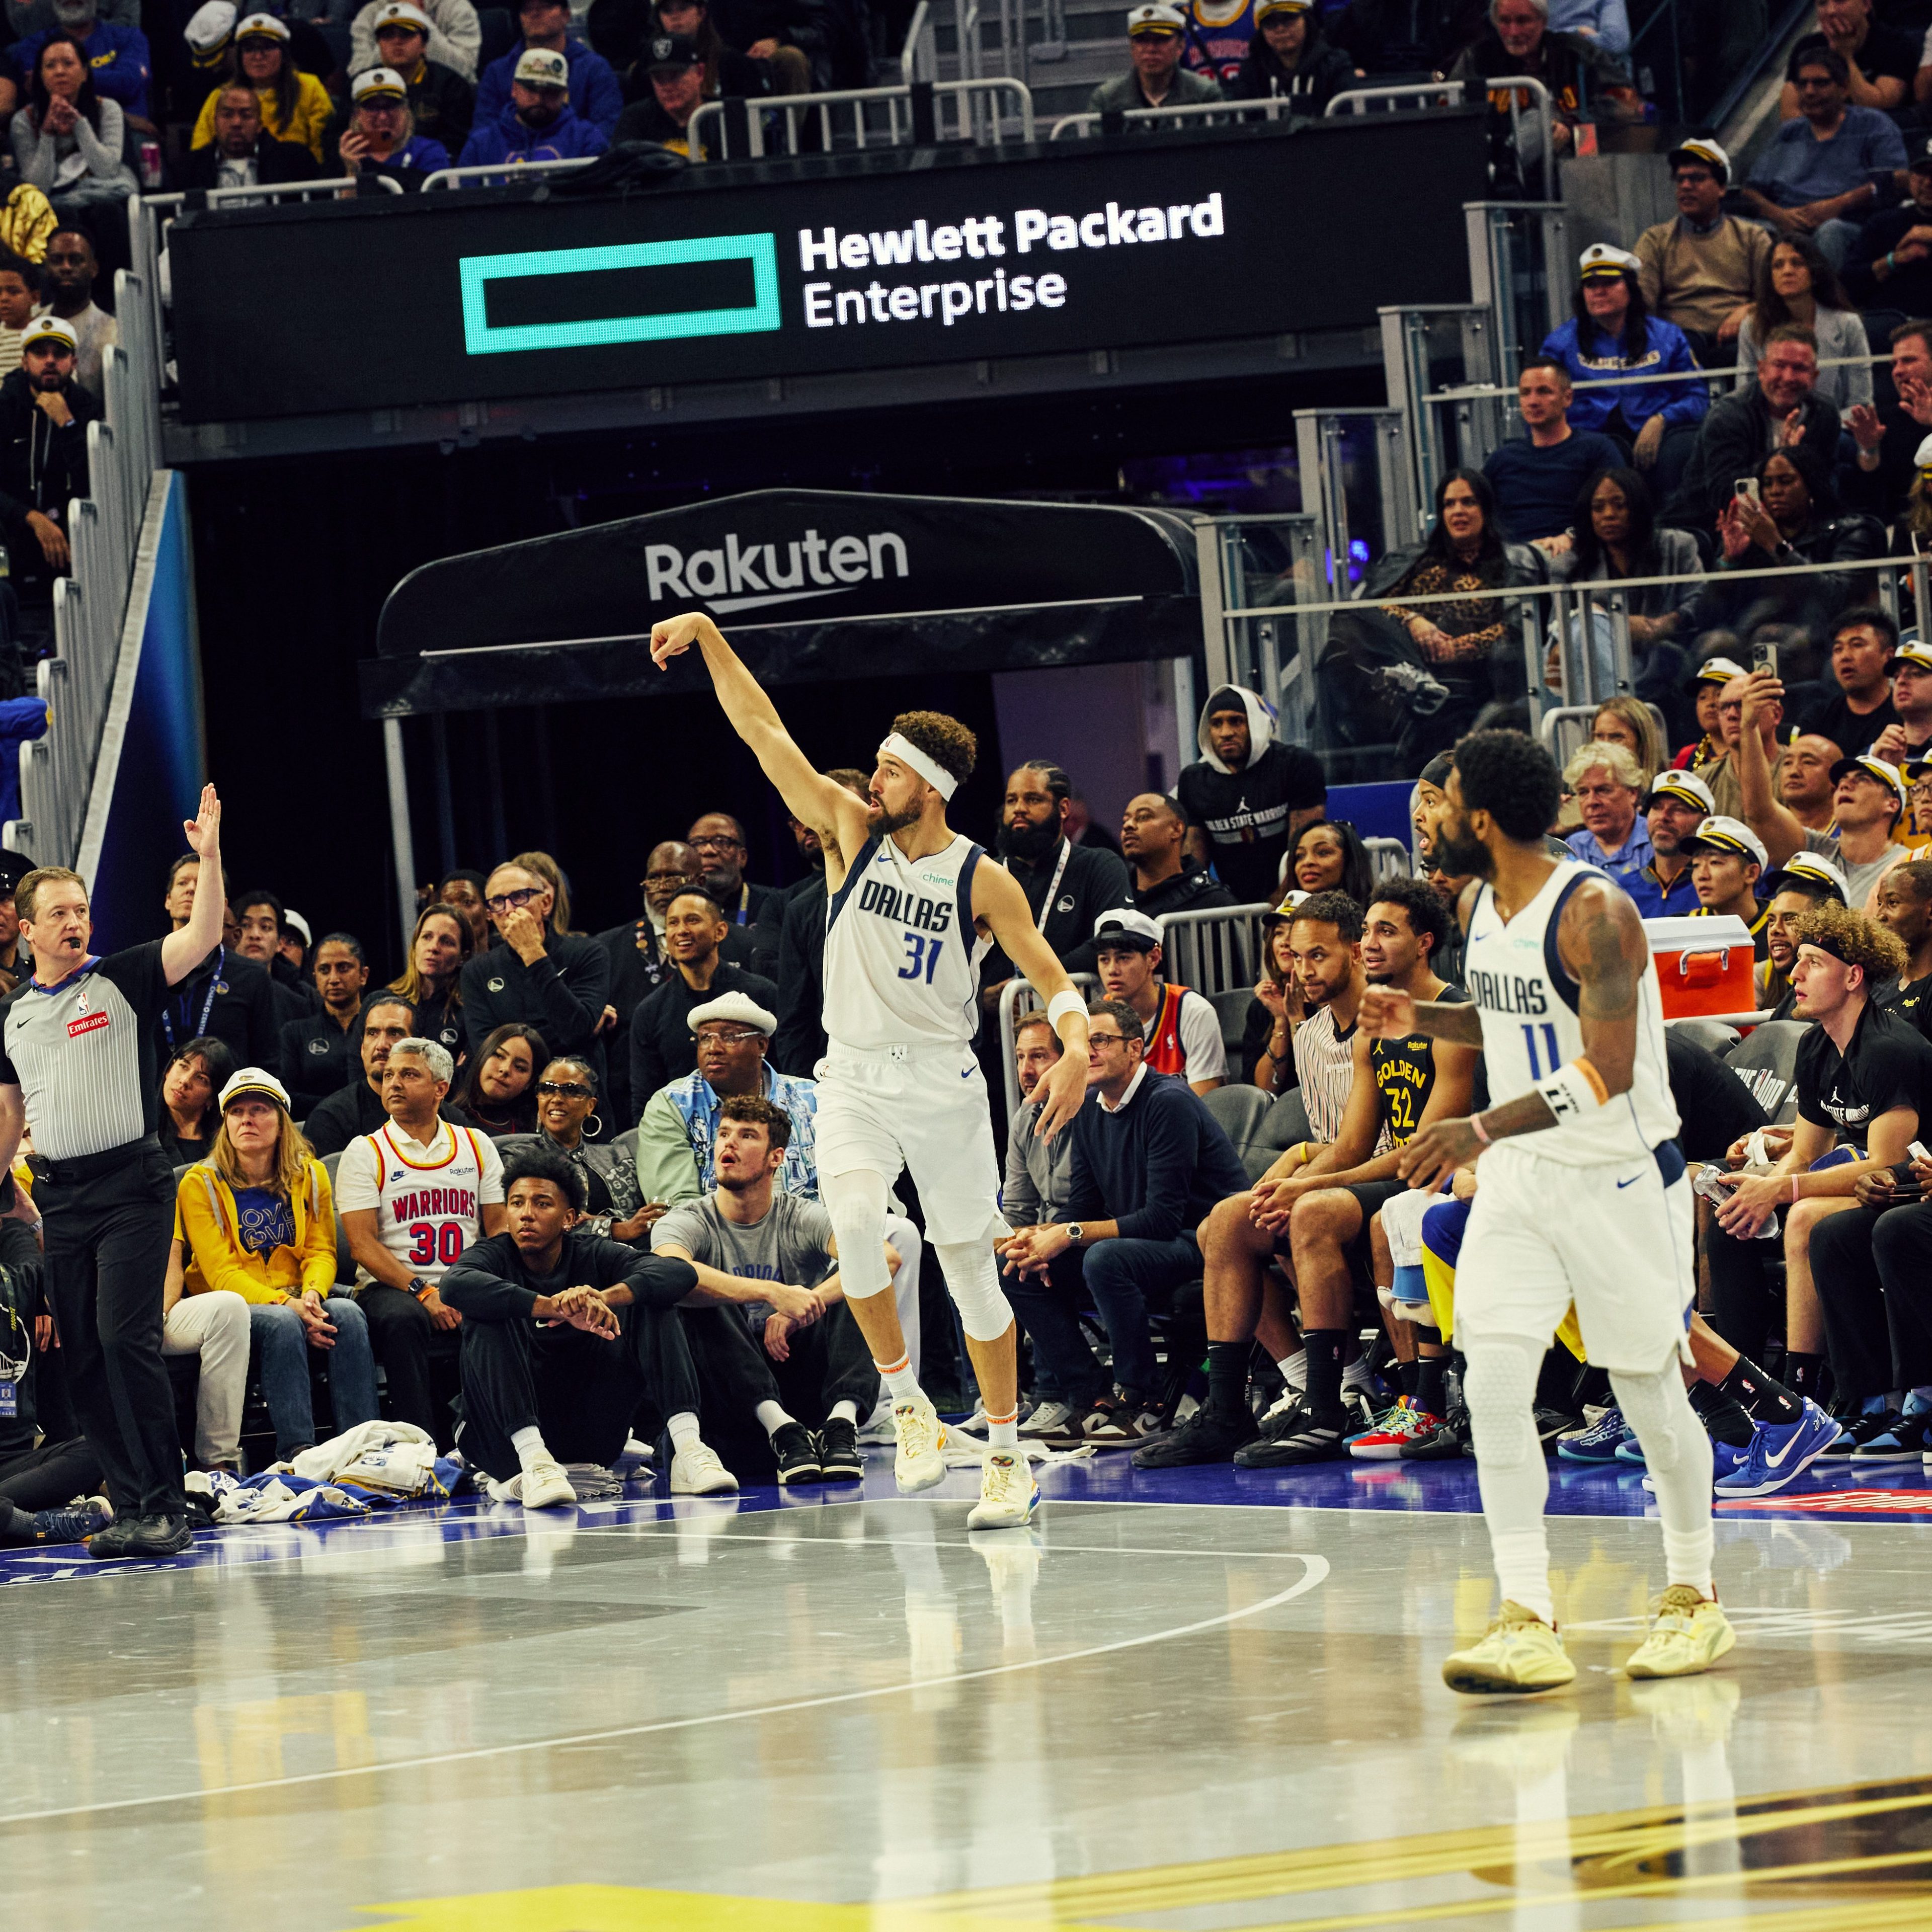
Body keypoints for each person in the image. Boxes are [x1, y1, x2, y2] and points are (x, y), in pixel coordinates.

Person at [652, 608, 1094, 1531]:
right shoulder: (848, 830)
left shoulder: (980, 877)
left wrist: (1081, 1043)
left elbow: (1049, 976)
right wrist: (709, 636)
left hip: (941, 1082)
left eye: (890, 767)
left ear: (927, 787)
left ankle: (1009, 1456)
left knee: (972, 1267)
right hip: (851, 1073)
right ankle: (908, 1404)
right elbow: (762, 730)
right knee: (856, 1223)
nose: (873, 776)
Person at [1358, 732, 1733, 1691]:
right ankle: (1527, 1613)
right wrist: (1421, 1017)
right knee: (1492, 1381)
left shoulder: (1596, 913)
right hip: (1525, 1178)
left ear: (1480, 817)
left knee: (1648, 1388)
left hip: (1614, 1176)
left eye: (1438, 805)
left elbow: (1604, 1071)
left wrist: (1476, 1129)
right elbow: (1513, 1018)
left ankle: (1694, 1597)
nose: (1429, 823)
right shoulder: (1485, 903)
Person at [1136, 879, 1472, 1467]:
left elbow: (1423, 1149)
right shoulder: (1377, 1025)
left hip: (1443, 1173)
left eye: (1381, 932)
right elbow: (1350, 1146)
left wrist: (1309, 1185)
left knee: (1311, 1211)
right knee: (1229, 1221)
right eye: (1367, 931)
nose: (1370, 944)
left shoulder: (1451, 1015)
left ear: (1423, 943)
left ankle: (1325, 1408)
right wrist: (1296, 1177)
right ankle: (1224, 1411)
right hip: (1387, 1172)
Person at [0, 788, 227, 1559]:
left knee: (125, 1338)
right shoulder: (11, 1015)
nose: (75, 921)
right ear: (26, 929)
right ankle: (133, 1506)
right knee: (85, 1356)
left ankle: (165, 1505)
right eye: (58, 913)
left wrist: (209, 855)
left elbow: (203, 934)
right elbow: (8, 1117)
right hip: (59, 1196)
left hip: (132, 1184)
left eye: (82, 908)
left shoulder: (125, 975)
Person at [1715, 902, 1930, 1438]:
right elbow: (1806, 1152)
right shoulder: (1816, 1046)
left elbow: (1887, 1165)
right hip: (1878, 1183)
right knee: (1737, 1211)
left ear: (1853, 976)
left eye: (1812, 962)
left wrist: (1781, 1190)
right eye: (1798, 963)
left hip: (1911, 1183)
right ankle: (1854, 1398)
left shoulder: (1887, 1048)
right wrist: (1763, 1187)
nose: (1795, 975)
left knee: (1813, 1218)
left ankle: (1805, 1390)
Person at [1002, 996, 1249, 1444]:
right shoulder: (1091, 1106)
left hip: (1205, 1242)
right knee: (1018, 1268)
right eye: (1084, 1042)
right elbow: (1082, 1204)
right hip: (1149, 1243)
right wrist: (1040, 1238)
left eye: (1101, 1041)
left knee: (1106, 1259)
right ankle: (1092, 1398)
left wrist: (1070, 1234)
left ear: (1135, 1049)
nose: (1089, 1052)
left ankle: (1145, 1399)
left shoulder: (1169, 1101)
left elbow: (1162, 1218)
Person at [436, 1145, 703, 1506]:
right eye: (516, 1203)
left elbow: (678, 1273)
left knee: (651, 1303)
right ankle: (533, 1466)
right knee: (488, 1313)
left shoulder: (592, 1253)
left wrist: (605, 1299)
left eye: (542, 1204)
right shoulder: (493, 1255)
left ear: (569, 1218)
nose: (526, 1215)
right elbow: (454, 1285)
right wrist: (552, 1307)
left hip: (588, 1436)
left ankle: (689, 1450)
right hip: (501, 1441)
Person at [651, 1097, 882, 1483]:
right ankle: (780, 1428)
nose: (729, 1144)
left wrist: (802, 1307)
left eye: (746, 1136)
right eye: (724, 1133)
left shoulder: (800, 1214)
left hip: (798, 1374)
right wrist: (772, 1292)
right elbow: (667, 1272)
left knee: (860, 1276)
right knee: (698, 1287)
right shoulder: (688, 1220)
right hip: (731, 1394)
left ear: (776, 1158)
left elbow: (884, 1256)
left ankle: (841, 1426)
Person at [172, 1067, 379, 1462]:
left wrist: (315, 1295)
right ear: (225, 1123)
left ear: (282, 1121)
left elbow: (321, 1250)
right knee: (284, 1324)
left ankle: (364, 1446)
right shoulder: (199, 1184)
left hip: (300, 1293)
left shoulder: (312, 1174)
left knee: (348, 1313)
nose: (247, 1119)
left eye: (260, 1109)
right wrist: (289, 1307)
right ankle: (299, 1452)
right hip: (231, 1303)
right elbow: (221, 1273)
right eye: (236, 1112)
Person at [338, 1036, 505, 1442]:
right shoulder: (366, 1151)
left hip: (463, 1277)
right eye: (389, 1074)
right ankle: (420, 1445)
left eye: (409, 1074)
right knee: (403, 1318)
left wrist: (475, 1285)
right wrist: (424, 1292)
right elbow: (362, 1245)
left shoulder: (476, 1145)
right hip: (391, 1285)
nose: (393, 1082)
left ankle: (503, 1439)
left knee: (507, 1305)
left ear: (440, 1088)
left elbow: (499, 1229)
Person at [1374, 468, 1549, 765]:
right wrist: (1413, 621)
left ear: (1486, 509)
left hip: (1485, 676)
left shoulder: (1510, 563)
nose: (1458, 511)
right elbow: (1375, 608)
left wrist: (1460, 646)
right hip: (1416, 672)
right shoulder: (1417, 561)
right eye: (1449, 504)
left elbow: (1517, 626)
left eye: (1468, 502)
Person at [1538, 247, 1707, 501]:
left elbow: (1698, 398)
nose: (1598, 291)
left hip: (1659, 439)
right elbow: (1542, 402)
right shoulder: (1560, 343)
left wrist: (1661, 419)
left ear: (1630, 288)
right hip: (1588, 441)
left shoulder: (1667, 337)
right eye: (1590, 285)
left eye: (1609, 282)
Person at [979, 760, 1132, 1013]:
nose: (1019, 809)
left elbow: (1110, 939)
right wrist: (983, 997)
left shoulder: (1099, 866)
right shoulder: (983, 876)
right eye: (1011, 800)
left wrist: (1035, 983)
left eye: (1033, 799)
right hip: (997, 1031)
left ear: (1063, 809)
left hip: (1077, 1019)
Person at [1741, 42, 1907, 270]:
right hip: (1786, 223)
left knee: (1831, 232)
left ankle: (1828, 303)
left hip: (1848, 223)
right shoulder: (1789, 132)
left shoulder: (1873, 124)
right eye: (1803, 84)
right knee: (1744, 230)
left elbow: (1898, 178)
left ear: (1844, 88)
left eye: (1820, 83)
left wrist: (1839, 204)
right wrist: (1779, 215)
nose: (1810, 91)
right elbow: (1751, 191)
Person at [1698, 445, 1886, 643]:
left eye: (1786, 481)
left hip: (1825, 639)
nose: (1775, 491)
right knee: (1715, 644)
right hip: (1752, 637)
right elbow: (1705, 618)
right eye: (1767, 484)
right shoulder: (1749, 537)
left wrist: (1776, 546)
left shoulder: (1847, 532)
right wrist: (1729, 560)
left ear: (1811, 485)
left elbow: (1838, 600)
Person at [1667, 327, 1839, 539]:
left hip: (1790, 526)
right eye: (1780, 366)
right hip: (1707, 527)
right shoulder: (1728, 415)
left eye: (1799, 368)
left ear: (1814, 377)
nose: (1788, 377)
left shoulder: (1824, 414)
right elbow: (1722, 492)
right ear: (1761, 370)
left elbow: (1823, 486)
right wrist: (1780, 458)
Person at [1450, 0, 1633, 196]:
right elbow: (1448, 112)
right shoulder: (1476, 59)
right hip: (1489, 163)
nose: (1513, 32)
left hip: (1572, 171)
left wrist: (1572, 125)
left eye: (1523, 21)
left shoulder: (1576, 52)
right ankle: (1508, 170)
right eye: (1504, 21)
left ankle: (1509, 170)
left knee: (1541, 118)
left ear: (1543, 22)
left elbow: (1627, 102)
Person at [996, 1011, 1080, 1435]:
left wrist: (1041, 1241)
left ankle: (1057, 1395)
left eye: (1039, 1057)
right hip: (1044, 1234)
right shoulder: (1024, 1119)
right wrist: (1013, 1241)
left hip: (1087, 1233)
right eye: (1021, 1058)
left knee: (1031, 1268)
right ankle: (1003, 1398)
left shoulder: (1088, 1112)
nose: (1027, 1071)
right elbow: (1016, 1207)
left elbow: (1092, 1200)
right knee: (983, 1266)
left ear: (1065, 1062)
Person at [1174, 684, 1326, 907]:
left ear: (1255, 723)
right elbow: (1195, 862)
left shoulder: (1296, 765)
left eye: (1236, 721)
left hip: (1296, 899)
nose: (1226, 733)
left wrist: (1277, 909)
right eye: (1216, 724)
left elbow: (1304, 850)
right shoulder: (1194, 780)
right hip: (1234, 906)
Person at [459, 858, 609, 1084]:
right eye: (498, 902)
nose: (509, 910)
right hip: (510, 1101)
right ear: (490, 913)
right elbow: (487, 1049)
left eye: (519, 897)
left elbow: (577, 1029)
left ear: (546, 903)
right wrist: (561, 1037)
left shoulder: (588, 952)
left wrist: (532, 952)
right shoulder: (477, 970)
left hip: (576, 1093)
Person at [0, 315, 99, 651]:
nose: (50, 361)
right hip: (12, 544)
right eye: (40, 353)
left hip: (72, 553)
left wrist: (68, 425)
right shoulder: (5, 406)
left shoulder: (87, 409)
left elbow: (96, 482)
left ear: (73, 362)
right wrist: (31, 518)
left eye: (59, 353)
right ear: (24, 360)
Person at [629, 889, 779, 1105]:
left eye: (692, 920)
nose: (681, 931)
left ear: (720, 931)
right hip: (681, 1132)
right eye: (673, 923)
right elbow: (645, 1099)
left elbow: (785, 1073)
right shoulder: (650, 1012)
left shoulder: (763, 995)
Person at [1634, 137, 1771, 368]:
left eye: (1697, 178)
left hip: (1741, 342)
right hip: (1677, 345)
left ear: (1721, 188)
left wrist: (1751, 310)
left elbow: (1776, 298)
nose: (1686, 186)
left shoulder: (1752, 237)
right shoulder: (1655, 240)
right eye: (1680, 180)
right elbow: (1639, 305)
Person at [1548, 468, 1703, 664]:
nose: (1609, 515)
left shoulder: (1677, 546)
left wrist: (1666, 623)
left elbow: (1700, 601)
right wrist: (1614, 626)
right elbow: (1558, 626)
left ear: (1638, 508)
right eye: (1598, 508)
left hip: (1671, 657)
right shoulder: (1568, 565)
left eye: (1620, 505)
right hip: (1601, 665)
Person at [499, 1055, 653, 1239]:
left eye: (571, 1091)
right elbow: (528, 1223)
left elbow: (642, 1219)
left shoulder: (618, 1157)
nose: (557, 1098)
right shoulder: (519, 1157)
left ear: (591, 1105)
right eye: (547, 1089)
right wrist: (615, 1229)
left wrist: (600, 1220)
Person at [155, 851, 279, 1079]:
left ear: (221, 903)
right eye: (183, 883)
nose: (191, 889)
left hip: (226, 1111)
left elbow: (267, 1063)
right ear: (168, 900)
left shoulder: (252, 976)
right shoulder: (143, 967)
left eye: (201, 882)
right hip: (152, 1111)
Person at [1482, 360, 1625, 547]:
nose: (1533, 402)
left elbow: (1622, 511)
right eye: (1526, 393)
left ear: (1568, 398)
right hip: (1512, 555)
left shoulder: (1597, 450)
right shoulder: (1500, 460)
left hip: (1578, 551)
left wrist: (1574, 537)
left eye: (1544, 391)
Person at [1089, 908, 1225, 1093]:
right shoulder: (1095, 1019)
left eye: (1123, 958)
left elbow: (1204, 1104)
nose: (1112, 969)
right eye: (1104, 959)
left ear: (1153, 958)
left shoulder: (1193, 1011)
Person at [1736, 235, 1871, 414]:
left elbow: (1861, 403)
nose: (1787, 271)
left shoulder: (1848, 325)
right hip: (1772, 432)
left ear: (1815, 273)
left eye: (1797, 263)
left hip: (1836, 431)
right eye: (1778, 265)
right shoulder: (1752, 326)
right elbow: (1745, 396)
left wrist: (1824, 428)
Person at [11, 34, 136, 223]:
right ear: (41, 75)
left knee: (108, 212)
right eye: (50, 66)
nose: (60, 71)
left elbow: (108, 171)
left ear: (85, 73)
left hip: (102, 196)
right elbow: (36, 188)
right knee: (61, 213)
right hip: (53, 203)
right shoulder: (24, 121)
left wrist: (80, 125)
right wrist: (47, 133)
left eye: (68, 63)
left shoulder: (108, 109)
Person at [192, 14, 334, 160]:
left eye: (268, 48)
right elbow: (200, 154)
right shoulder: (221, 95)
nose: (258, 57)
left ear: (284, 54)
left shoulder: (309, 87)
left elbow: (321, 150)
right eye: (249, 50)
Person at [473, 0, 621, 136]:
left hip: (576, 161)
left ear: (566, 15)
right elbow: (483, 133)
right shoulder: (497, 72)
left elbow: (607, 128)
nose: (535, 14)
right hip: (513, 160)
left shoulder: (594, 68)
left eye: (546, 7)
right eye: (527, 9)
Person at [456, 45, 610, 165]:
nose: (538, 99)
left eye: (550, 92)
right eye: (531, 89)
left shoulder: (587, 139)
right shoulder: (481, 144)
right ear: (515, 89)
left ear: (565, 95)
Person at [301, 993, 415, 1155]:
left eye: (395, 1033)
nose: (381, 1045)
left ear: (419, 1046)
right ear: (362, 1048)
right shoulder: (330, 1119)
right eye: (372, 1033)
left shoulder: (445, 1117)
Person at [10, 0, 149, 125]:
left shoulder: (130, 37)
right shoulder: (33, 45)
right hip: (56, 130)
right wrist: (119, 116)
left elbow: (128, 84)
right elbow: (38, 88)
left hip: (128, 133)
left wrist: (62, 81)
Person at [365, 0, 474, 156]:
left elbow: (455, 144)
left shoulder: (451, 85)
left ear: (424, 45)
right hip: (374, 171)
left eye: (406, 34)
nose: (397, 42)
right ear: (379, 45)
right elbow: (342, 140)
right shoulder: (360, 85)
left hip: (431, 171)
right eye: (388, 36)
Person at [279, 932, 369, 1116]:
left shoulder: (381, 1030)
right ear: (315, 977)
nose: (334, 979)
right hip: (313, 1131)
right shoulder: (295, 1033)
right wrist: (341, 1107)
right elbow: (286, 1096)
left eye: (343, 968)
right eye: (325, 970)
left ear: (363, 975)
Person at [1844, 136, 1932, 319]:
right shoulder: (1883, 223)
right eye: (1922, 173)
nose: (1929, 183)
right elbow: (1849, 284)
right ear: (1909, 177)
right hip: (1890, 323)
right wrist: (1893, 260)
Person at [1778, 3, 1916, 117]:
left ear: (1866, 5)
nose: (1830, 11)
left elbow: (1880, 109)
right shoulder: (1807, 47)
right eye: (1822, 4)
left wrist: (1845, 56)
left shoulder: (1896, 44)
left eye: (1840, 1)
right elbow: (1790, 114)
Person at [1803, 605, 1902, 759]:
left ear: (1889, 657)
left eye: (1857, 645)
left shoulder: (1906, 714)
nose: (1845, 656)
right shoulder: (1818, 718)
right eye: (1838, 649)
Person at [180, 79, 320, 187]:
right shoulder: (188, 169)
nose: (236, 123)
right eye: (227, 115)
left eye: (246, 115)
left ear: (259, 125)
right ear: (215, 122)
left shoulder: (296, 161)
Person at [1087, 2, 1225, 110]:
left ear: (1181, 46)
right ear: (1132, 48)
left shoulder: (1205, 95)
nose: (1151, 49)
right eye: (1142, 40)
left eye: (1161, 40)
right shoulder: (1107, 100)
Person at [386, 901, 470, 1066]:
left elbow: (466, 1080)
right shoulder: (384, 1002)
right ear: (415, 944)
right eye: (427, 937)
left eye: (447, 942)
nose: (433, 947)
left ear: (463, 957)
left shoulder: (469, 1012)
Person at [36, 228, 114, 403]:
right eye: (57, 260)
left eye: (76, 260)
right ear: (46, 268)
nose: (66, 268)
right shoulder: (30, 323)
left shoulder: (114, 333)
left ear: (94, 268)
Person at [336, 65, 450, 183]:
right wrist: (352, 171)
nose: (383, 117)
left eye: (391, 106)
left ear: (406, 110)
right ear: (357, 114)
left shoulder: (427, 150)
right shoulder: (343, 155)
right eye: (373, 108)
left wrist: (367, 169)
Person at [1226, 0, 1351, 105]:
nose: (1280, 29)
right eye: (1270, 23)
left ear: (1307, 21)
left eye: (1288, 19)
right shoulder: (1252, 70)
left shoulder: (1334, 64)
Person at [1562, 741, 1650, 886]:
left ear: (1632, 794)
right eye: (1583, 792)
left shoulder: (1656, 843)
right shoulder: (1573, 848)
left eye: (1603, 790)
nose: (1592, 802)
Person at [231, 887, 315, 1029]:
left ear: (278, 942)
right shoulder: (213, 989)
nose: (255, 935)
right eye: (246, 925)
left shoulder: (299, 1006)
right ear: (234, 934)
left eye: (266, 927)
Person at [610, 32, 711, 149]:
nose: (668, 87)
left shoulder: (720, 115)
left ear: (700, 73)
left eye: (675, 76)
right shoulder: (635, 120)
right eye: (659, 79)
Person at [1683, 815, 1770, 950]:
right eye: (1696, 865)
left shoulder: (1779, 933)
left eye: (1715, 862)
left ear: (1751, 873)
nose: (1702, 875)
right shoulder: (1681, 930)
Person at [686, 811, 783, 928]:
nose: (708, 851)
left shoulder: (774, 904)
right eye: (698, 843)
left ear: (742, 857)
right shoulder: (678, 908)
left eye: (721, 841)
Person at [448, 1020, 545, 1136]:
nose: (505, 1069)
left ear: (530, 1082)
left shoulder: (527, 1140)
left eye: (519, 1067)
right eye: (499, 1056)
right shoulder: (438, 1106)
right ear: (483, 1055)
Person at [156, 1035, 235, 1168]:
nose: (185, 1081)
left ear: (213, 1098)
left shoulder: (224, 1147)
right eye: (184, 1066)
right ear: (169, 1070)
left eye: (201, 1078)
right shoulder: (142, 1132)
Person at [349, 0, 480, 80]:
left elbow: (463, 70)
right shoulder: (369, 15)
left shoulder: (457, 8)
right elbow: (358, 75)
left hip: (447, 97)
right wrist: (394, 21)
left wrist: (419, 19)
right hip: (385, 97)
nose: (398, 40)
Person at [1282, 817, 1375, 906]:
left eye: (1323, 853)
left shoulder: (1376, 915)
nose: (1307, 862)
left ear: (1349, 859)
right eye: (1300, 856)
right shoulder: (1282, 918)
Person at [1873, 637, 1932, 770]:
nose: (1901, 681)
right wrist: (1879, 771)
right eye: (1896, 677)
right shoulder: (1875, 754)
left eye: (1915, 674)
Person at [1591, 696, 1668, 786]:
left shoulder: (1662, 791)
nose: (1605, 744)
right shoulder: (1578, 787)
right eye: (1599, 736)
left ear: (1642, 741)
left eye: (1616, 737)